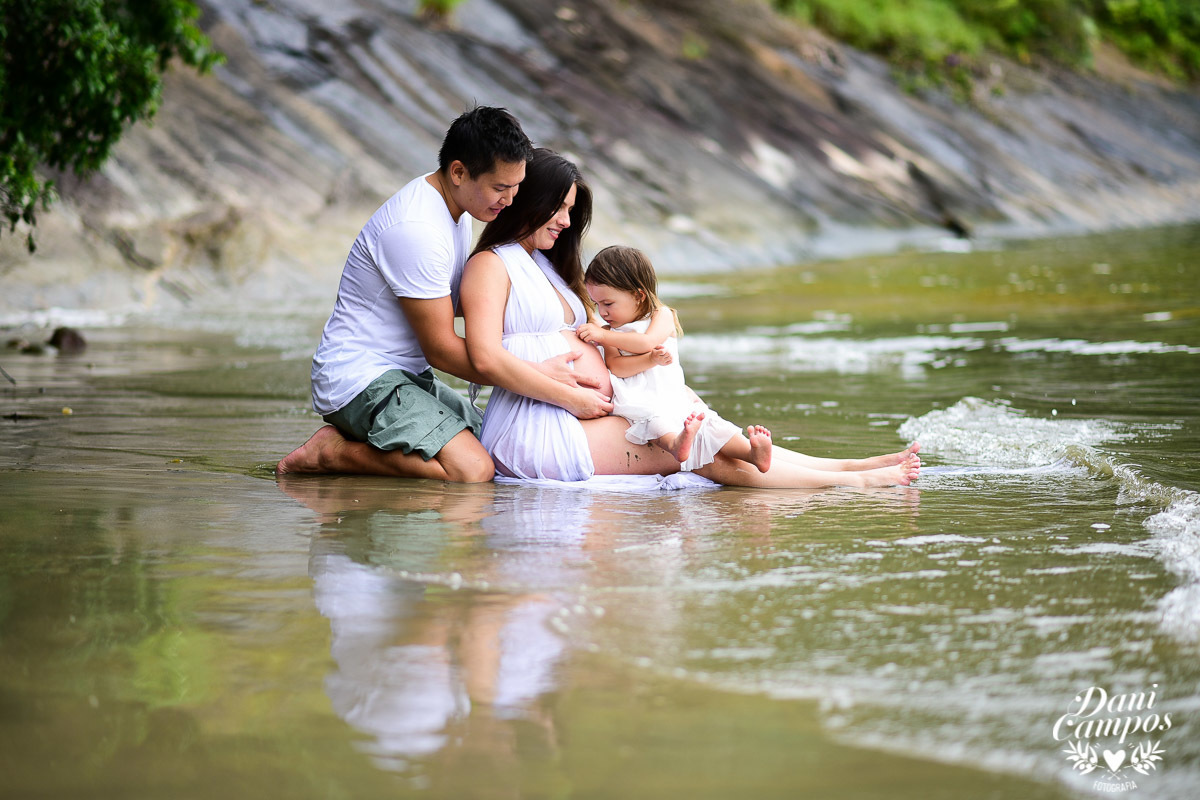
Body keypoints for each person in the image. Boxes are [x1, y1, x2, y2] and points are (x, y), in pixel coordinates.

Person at [461, 150, 921, 488]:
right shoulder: (492, 264)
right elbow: (484, 358)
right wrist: (566, 392)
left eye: (570, 210)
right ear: (528, 200)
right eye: (557, 207)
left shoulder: (550, 268)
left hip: (578, 413)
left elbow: (634, 316)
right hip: (538, 427)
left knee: (703, 429)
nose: (564, 221)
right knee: (697, 448)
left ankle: (847, 468)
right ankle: (851, 484)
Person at [276, 107, 612, 481]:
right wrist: (545, 382)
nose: (510, 200)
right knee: (472, 469)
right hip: (361, 379)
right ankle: (332, 453)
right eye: (501, 188)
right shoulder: (417, 229)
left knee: (500, 449)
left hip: (407, 376)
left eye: (516, 187)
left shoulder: (461, 208)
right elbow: (441, 349)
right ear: (458, 172)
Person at [578, 245, 774, 473]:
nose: (602, 312)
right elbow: (616, 367)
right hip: (639, 398)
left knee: (711, 425)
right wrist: (648, 360)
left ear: (638, 295)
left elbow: (646, 343)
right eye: (597, 304)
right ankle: (676, 445)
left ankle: (752, 453)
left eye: (608, 304)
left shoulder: (662, 315)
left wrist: (604, 336)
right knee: (655, 422)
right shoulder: (610, 331)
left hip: (672, 392)